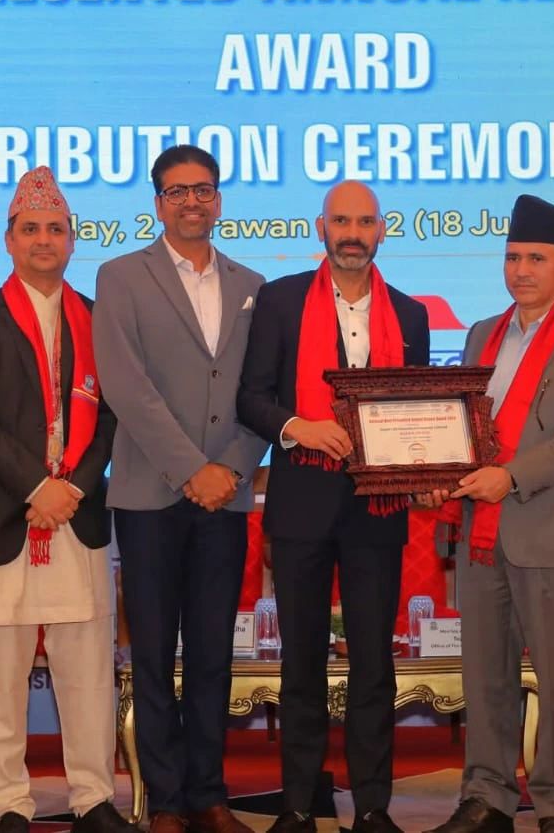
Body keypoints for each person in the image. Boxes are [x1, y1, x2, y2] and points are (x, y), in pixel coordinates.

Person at [424, 194, 554, 833]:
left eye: (537, 258)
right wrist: (436, 478)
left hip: (552, 533)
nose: (521, 270)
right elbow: (461, 426)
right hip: (481, 535)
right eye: (512, 257)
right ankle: (487, 797)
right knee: (485, 677)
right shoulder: (482, 333)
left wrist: (508, 477)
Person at [237, 181, 430, 833]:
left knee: (374, 664)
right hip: (301, 505)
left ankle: (372, 807)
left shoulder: (410, 315)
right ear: (320, 228)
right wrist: (299, 427)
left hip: (378, 510)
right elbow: (251, 397)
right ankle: (298, 805)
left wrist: (426, 465)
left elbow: (419, 414)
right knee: (302, 665)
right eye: (340, 221)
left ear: (382, 231)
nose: (352, 233)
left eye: (364, 222)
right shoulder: (281, 300)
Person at [0, 167, 130, 833]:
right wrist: (36, 485)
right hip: (3, 513)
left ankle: (93, 799)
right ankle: (10, 804)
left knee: (88, 666)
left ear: (73, 240)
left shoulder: (100, 318)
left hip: (79, 514)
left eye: (55, 229)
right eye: (31, 229)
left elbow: (115, 415)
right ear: (9, 239)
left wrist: (70, 488)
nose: (43, 240)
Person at [94, 144, 267, 833]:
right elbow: (125, 385)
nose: (191, 201)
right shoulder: (120, 276)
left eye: (203, 189)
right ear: (157, 203)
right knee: (153, 655)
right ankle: (164, 801)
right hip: (150, 494)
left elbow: (260, 392)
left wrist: (232, 469)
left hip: (226, 495)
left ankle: (208, 794)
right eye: (177, 191)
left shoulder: (251, 283)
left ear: (218, 199)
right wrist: (192, 469)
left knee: (213, 655)